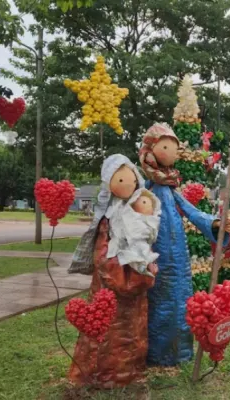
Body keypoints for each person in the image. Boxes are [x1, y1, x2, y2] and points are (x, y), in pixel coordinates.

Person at [139, 122, 230, 366]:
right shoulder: (144, 191)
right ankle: (155, 353)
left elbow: (193, 212)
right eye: (165, 147)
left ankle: (180, 352)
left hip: (178, 258)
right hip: (153, 257)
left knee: (179, 300)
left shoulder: (172, 189)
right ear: (150, 151)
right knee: (156, 302)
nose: (173, 153)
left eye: (174, 148)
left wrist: (217, 225)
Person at [67, 154, 157, 388]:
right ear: (109, 183)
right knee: (109, 329)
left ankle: (130, 372)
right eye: (120, 181)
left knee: (131, 330)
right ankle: (106, 375)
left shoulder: (136, 213)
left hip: (134, 282)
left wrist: (142, 266)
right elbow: (104, 256)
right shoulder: (108, 219)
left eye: (132, 181)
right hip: (113, 286)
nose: (128, 186)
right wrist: (126, 277)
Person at [107, 188, 161, 277]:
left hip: (142, 244)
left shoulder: (149, 220)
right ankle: (145, 266)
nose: (148, 207)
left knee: (142, 250)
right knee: (137, 251)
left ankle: (146, 266)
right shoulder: (132, 219)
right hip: (131, 245)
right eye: (144, 203)